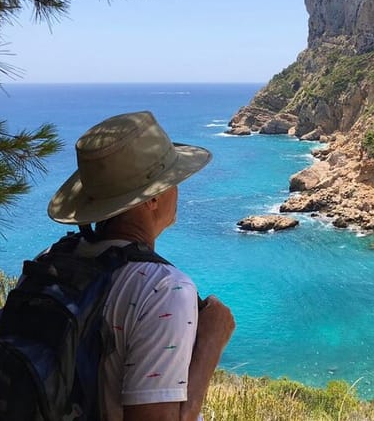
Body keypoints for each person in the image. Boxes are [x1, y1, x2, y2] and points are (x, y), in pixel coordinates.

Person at [45, 111, 235, 420]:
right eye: (172, 181)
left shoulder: (50, 261)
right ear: (152, 199)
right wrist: (212, 341)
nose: (178, 189)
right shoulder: (164, 289)